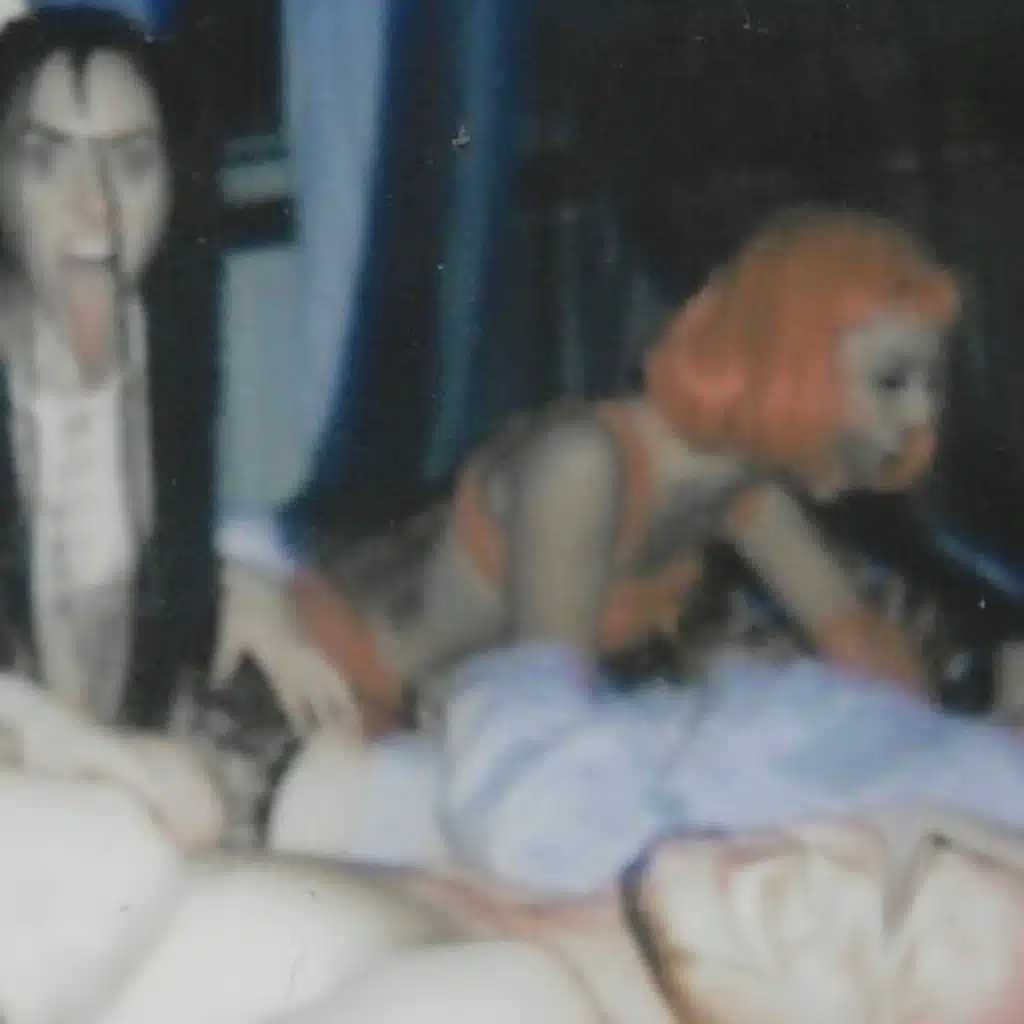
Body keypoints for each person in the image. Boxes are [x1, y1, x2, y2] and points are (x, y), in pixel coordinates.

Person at [295, 206, 962, 734]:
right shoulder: (584, 462)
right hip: (305, 694)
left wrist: (947, 759)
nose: (921, 411)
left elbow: (855, 640)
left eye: (930, 382)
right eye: (891, 380)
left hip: (411, 732)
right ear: (791, 359)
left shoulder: (739, 488)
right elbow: (548, 711)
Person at [0, 8, 220, 726]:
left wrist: (248, 592)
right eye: (45, 159)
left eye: (131, 162)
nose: (94, 204)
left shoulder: (165, 350)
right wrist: (102, 761)